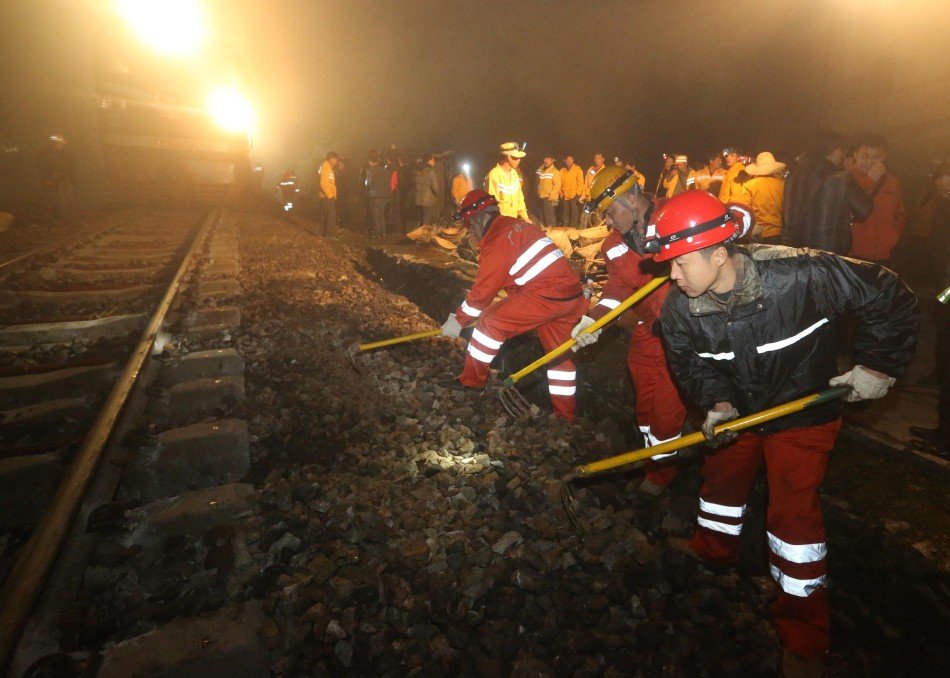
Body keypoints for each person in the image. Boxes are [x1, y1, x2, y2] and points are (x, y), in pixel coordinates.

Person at [654, 190, 919, 675]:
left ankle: (804, 638)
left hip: (803, 413)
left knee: (794, 521)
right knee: (721, 485)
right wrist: (717, 402)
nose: (671, 275)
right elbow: (688, 364)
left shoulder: (803, 274)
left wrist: (878, 367)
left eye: (678, 263)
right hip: (740, 413)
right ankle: (712, 554)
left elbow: (890, 296)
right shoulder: (679, 310)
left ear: (718, 254)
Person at [572, 166, 689, 495]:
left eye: (609, 212)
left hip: (683, 336)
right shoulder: (613, 246)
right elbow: (617, 292)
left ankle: (661, 475)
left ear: (633, 200)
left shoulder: (674, 215)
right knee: (645, 408)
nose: (607, 222)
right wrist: (593, 320)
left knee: (666, 412)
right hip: (648, 331)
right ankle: (654, 457)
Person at [441, 190, 586, 420]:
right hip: (569, 297)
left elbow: (482, 293)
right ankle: (565, 417)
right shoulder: (515, 227)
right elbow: (518, 281)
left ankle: (472, 382)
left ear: (479, 217)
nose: (471, 231)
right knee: (559, 358)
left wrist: (458, 320)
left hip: (545, 296)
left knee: (489, 322)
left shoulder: (497, 240)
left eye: (470, 225)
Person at [907, 162, 949, 458]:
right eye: (941, 185)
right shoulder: (944, 207)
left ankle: (946, 442)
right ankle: (942, 432)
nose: (944, 189)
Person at [782, 130, 874, 254]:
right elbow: (864, 211)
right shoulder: (842, 178)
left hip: (793, 252)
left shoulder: (793, 175)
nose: (844, 155)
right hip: (828, 254)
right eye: (843, 150)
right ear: (835, 150)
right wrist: (871, 181)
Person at [848, 132, 906, 265]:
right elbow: (844, 208)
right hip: (851, 253)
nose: (869, 162)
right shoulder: (845, 179)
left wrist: (892, 238)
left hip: (881, 254)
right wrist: (870, 180)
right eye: (864, 156)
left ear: (884, 157)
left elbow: (900, 215)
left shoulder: (892, 182)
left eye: (876, 157)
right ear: (855, 155)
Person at [740, 151, 786, 244]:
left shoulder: (749, 185)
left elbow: (743, 209)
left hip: (756, 233)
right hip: (777, 233)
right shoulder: (782, 185)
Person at [486, 142, 530, 221]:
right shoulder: (494, 175)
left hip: (513, 220)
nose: (519, 160)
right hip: (500, 222)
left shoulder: (514, 174)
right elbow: (491, 204)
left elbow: (519, 199)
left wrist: (526, 218)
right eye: (516, 158)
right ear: (509, 157)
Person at [37, 134, 76, 220]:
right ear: (54, 144)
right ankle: (59, 216)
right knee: (57, 197)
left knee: (67, 196)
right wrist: (47, 179)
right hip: (54, 179)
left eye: (62, 143)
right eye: (59, 143)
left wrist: (72, 177)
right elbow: (43, 167)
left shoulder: (66, 153)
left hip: (65, 178)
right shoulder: (47, 154)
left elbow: (71, 165)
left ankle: (63, 215)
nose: (61, 145)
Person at [365, 151, 392, 237]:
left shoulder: (370, 170)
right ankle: (383, 232)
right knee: (382, 214)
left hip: (375, 195)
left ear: (370, 161)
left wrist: (366, 182)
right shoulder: (385, 170)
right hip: (385, 195)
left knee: (376, 215)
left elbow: (368, 183)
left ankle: (377, 233)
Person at [535, 154, 561, 227]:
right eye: (545, 159)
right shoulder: (542, 170)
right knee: (542, 217)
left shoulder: (555, 171)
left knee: (549, 218)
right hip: (541, 196)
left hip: (549, 198)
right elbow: (537, 173)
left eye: (548, 159)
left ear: (552, 160)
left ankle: (552, 235)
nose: (546, 161)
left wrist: (551, 196)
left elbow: (557, 185)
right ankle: (544, 234)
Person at [318, 151, 340, 235]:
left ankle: (322, 233)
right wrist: (330, 195)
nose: (336, 161)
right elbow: (323, 183)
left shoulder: (327, 167)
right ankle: (329, 235)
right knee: (331, 216)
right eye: (335, 159)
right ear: (330, 159)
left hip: (325, 195)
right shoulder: (326, 168)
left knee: (325, 215)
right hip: (326, 196)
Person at [414, 154, 440, 226]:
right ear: (429, 160)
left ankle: (420, 232)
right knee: (428, 218)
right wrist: (436, 195)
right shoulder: (431, 171)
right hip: (429, 199)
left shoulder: (417, 171)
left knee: (422, 217)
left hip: (419, 198)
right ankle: (425, 235)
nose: (434, 161)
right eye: (433, 159)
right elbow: (435, 186)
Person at [559, 154, 584, 227]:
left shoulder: (577, 169)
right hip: (564, 196)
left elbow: (580, 181)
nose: (569, 161)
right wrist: (560, 193)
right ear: (564, 160)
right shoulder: (562, 170)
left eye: (571, 159)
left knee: (574, 213)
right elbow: (559, 183)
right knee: (565, 213)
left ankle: (573, 228)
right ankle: (565, 227)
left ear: (573, 160)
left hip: (574, 195)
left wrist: (578, 193)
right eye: (567, 159)